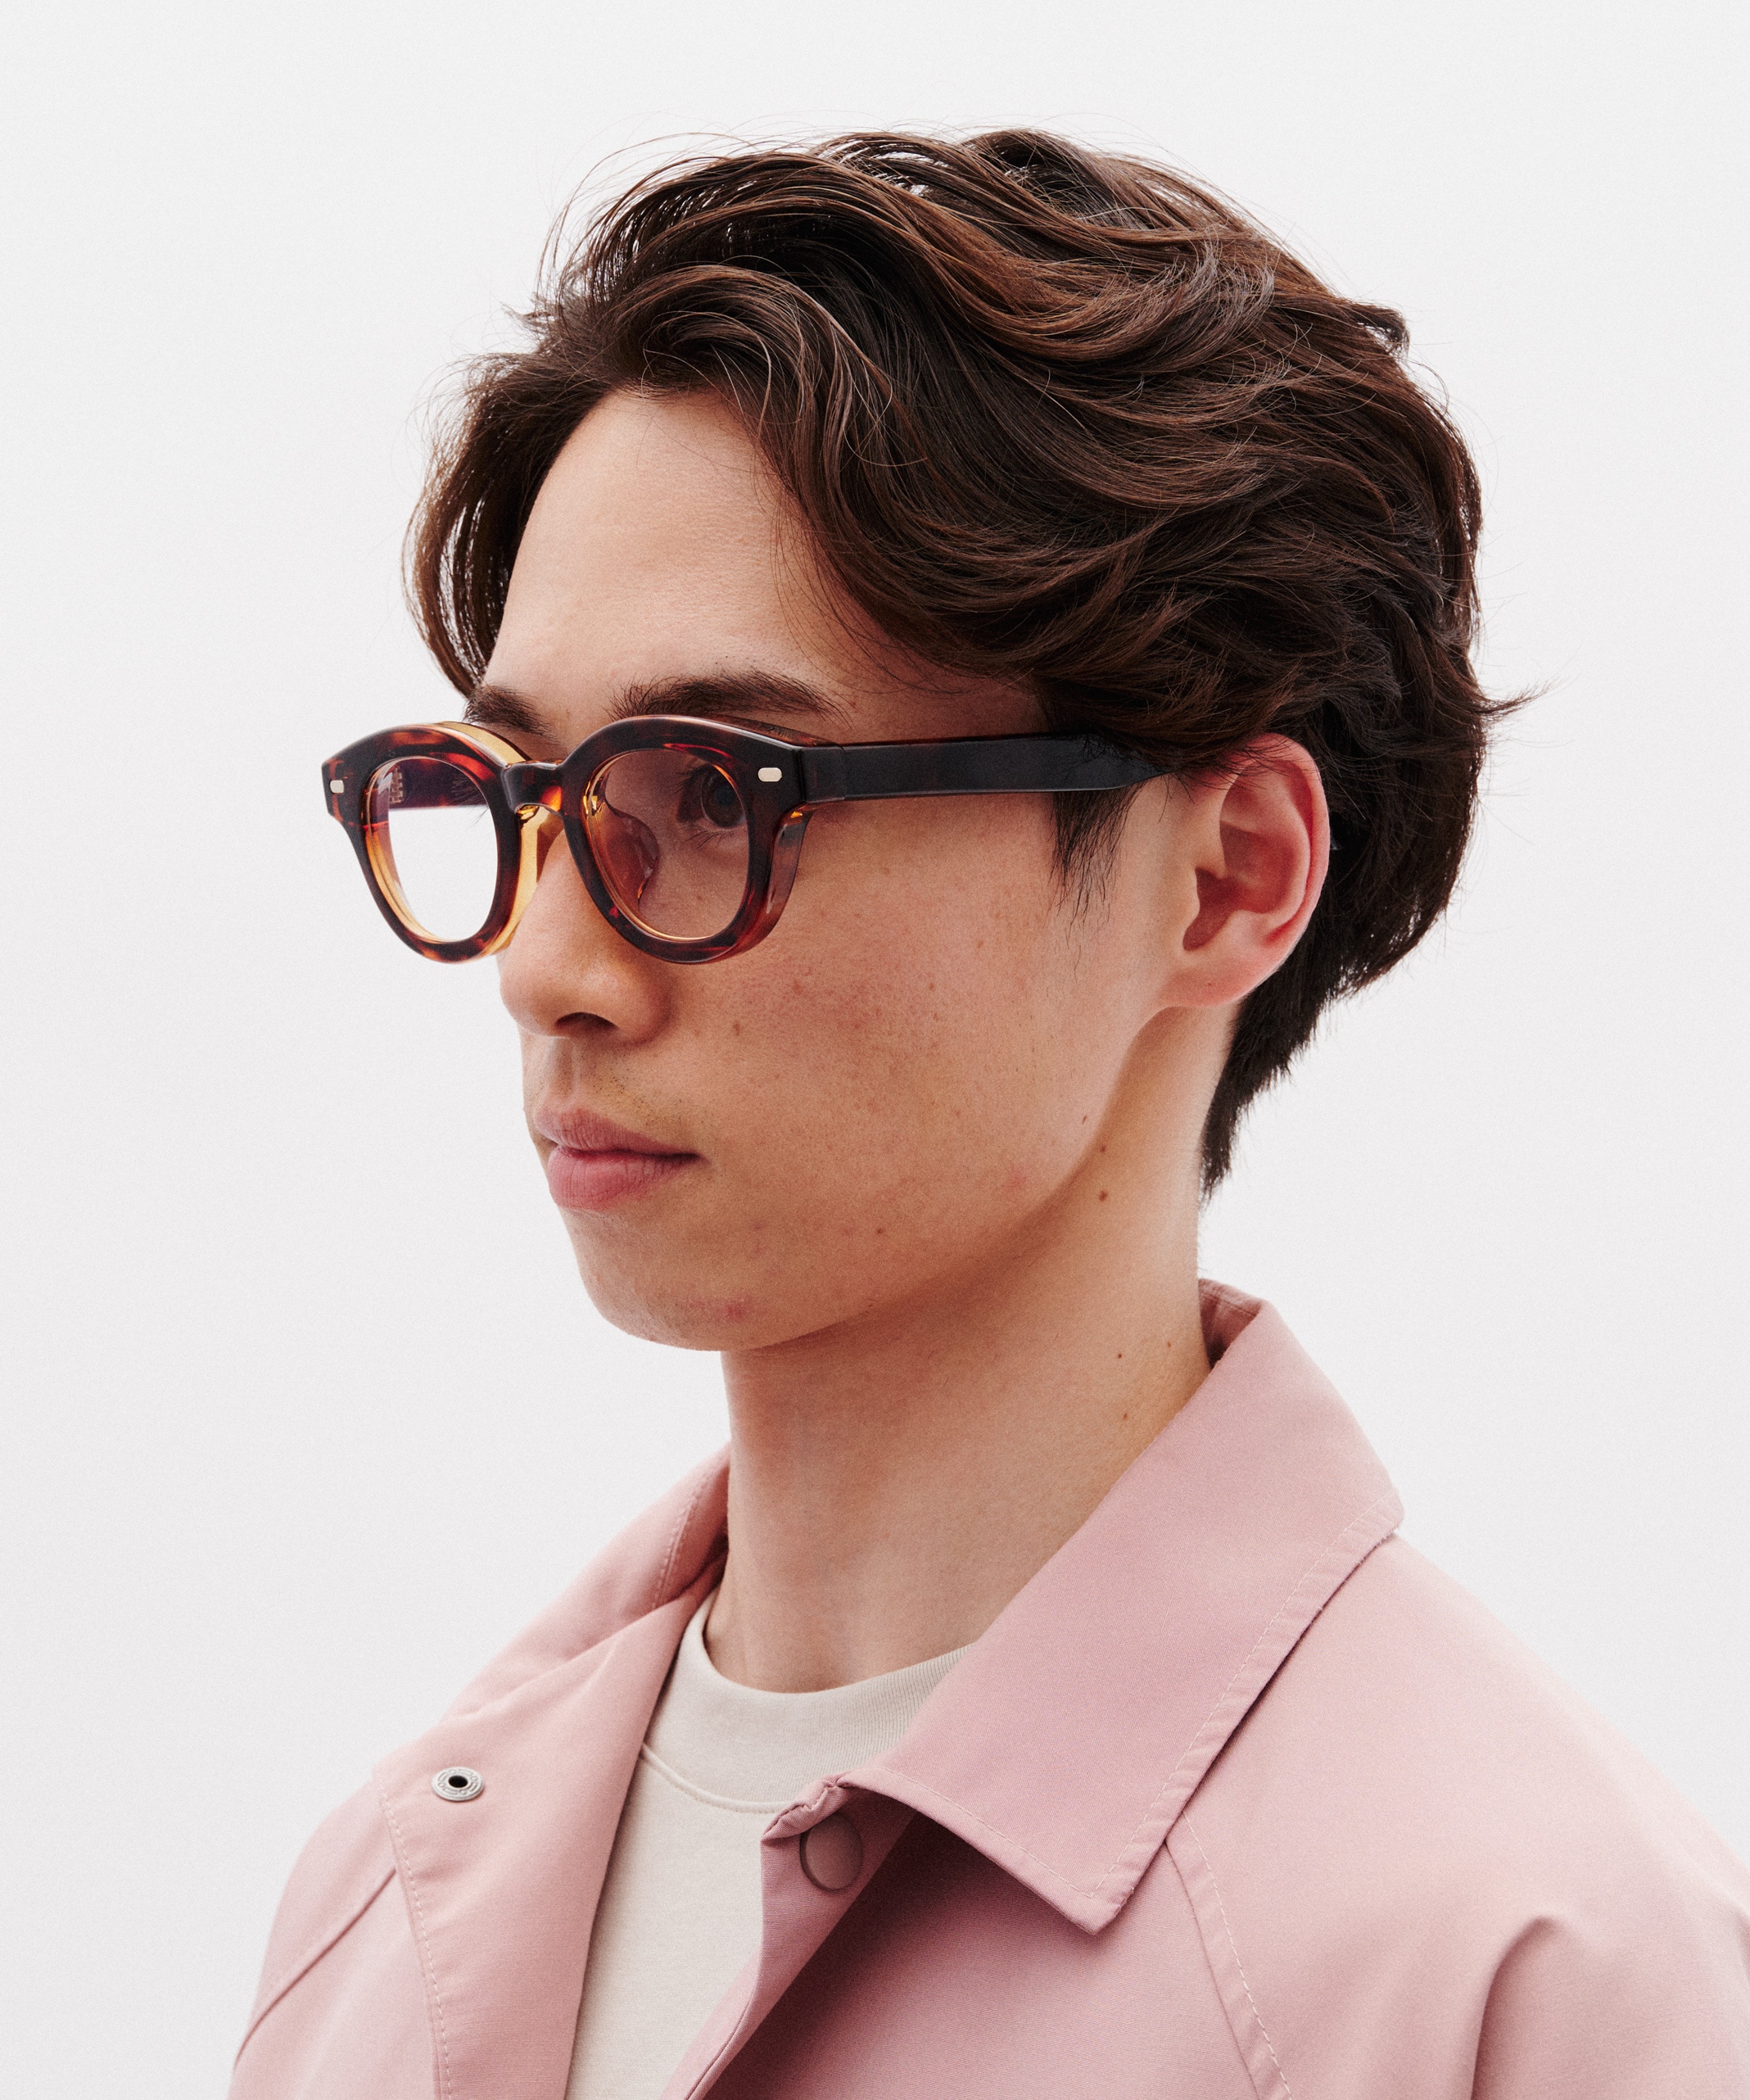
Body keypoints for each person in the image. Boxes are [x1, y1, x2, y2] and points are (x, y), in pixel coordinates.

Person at [232, 132, 1750, 2099]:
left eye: (713, 791)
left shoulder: (1519, 1976)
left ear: (1223, 875)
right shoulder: (381, 1907)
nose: (547, 963)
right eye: (524, 793)